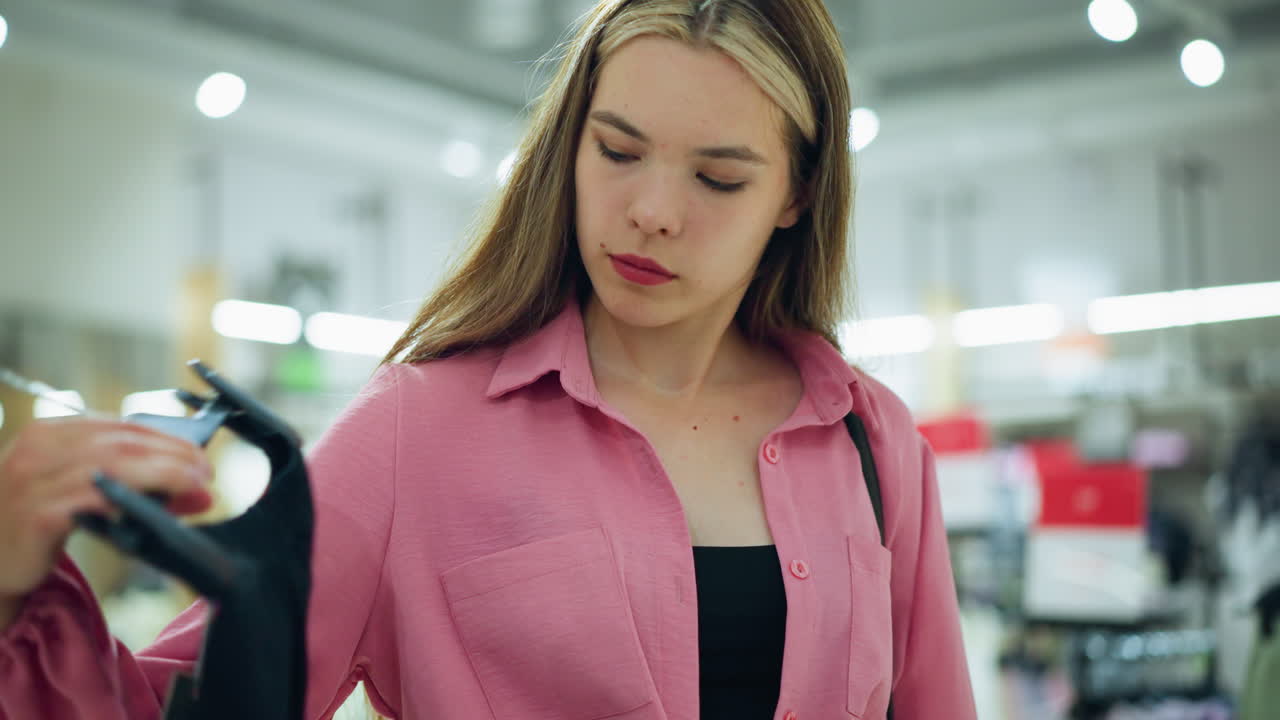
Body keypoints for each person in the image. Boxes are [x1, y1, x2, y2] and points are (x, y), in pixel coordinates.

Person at [0, 1, 977, 718]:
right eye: (616, 150)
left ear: (798, 195)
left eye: (718, 177)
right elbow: (154, 707)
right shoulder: (414, 431)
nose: (651, 210)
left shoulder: (866, 438)